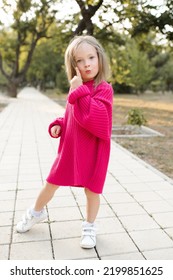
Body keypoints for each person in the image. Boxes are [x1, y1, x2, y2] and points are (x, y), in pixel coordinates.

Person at [16, 35, 113, 249]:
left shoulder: (104, 88)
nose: (87, 63)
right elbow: (73, 113)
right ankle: (35, 212)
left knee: (92, 191)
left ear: (99, 58)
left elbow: (97, 121)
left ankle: (89, 226)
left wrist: (78, 90)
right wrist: (59, 123)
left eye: (91, 57)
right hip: (71, 150)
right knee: (51, 182)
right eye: (80, 60)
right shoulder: (77, 87)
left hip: (94, 152)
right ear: (73, 65)